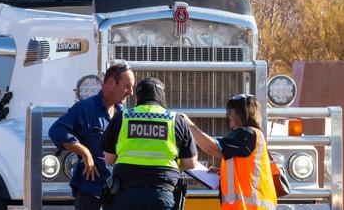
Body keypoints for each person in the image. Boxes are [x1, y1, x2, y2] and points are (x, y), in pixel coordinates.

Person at [48, 61, 135, 210]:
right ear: (111, 83)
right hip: (90, 192)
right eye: (127, 86)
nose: (131, 92)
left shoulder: (123, 114)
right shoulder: (84, 108)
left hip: (117, 191)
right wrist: (85, 152)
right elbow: (57, 131)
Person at [102, 77, 198, 210]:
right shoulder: (175, 120)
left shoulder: (122, 117)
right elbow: (190, 163)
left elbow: (109, 158)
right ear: (162, 96)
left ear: (138, 97)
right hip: (162, 194)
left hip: (126, 194)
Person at [181, 94, 277, 210]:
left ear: (243, 113)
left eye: (232, 110)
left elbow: (212, 148)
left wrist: (188, 124)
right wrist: (224, 173)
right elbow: (248, 171)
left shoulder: (248, 134)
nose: (228, 114)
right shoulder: (252, 136)